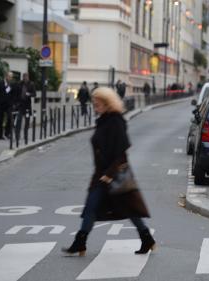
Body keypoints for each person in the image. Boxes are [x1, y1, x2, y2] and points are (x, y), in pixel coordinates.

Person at [62, 87, 155, 256]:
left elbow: (121, 152)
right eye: (94, 105)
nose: (95, 108)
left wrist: (109, 175)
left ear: (107, 104)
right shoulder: (104, 120)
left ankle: (147, 238)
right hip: (101, 173)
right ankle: (80, 243)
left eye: (97, 105)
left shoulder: (115, 121)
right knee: (91, 207)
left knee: (128, 209)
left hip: (114, 174)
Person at [0, 71, 15, 140]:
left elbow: (13, 94)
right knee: (0, 120)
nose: (11, 78)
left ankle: (7, 133)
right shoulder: (0, 83)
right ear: (6, 76)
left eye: (11, 77)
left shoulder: (11, 84)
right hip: (1, 104)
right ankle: (0, 135)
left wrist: (13, 103)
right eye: (10, 77)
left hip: (8, 104)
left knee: (10, 118)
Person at [14, 73, 36, 143]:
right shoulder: (20, 84)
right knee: (18, 121)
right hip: (20, 105)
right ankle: (17, 136)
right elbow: (17, 93)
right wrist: (16, 103)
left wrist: (29, 94)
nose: (25, 78)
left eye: (26, 77)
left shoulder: (31, 84)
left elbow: (34, 94)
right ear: (22, 78)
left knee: (27, 122)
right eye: (24, 77)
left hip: (27, 106)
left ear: (28, 77)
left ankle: (25, 136)